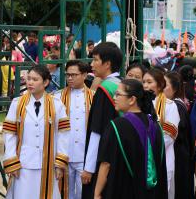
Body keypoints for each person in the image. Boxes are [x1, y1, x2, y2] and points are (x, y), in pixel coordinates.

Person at [3, 65, 70, 199]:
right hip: (23, 164)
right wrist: (11, 161)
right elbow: (10, 134)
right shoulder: (17, 103)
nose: (30, 82)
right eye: (28, 79)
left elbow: (63, 135)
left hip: (48, 164)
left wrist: (60, 162)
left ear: (45, 82)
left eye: (35, 79)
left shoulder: (57, 104)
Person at [94, 79, 167, 199]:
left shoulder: (116, 126)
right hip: (152, 193)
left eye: (118, 94)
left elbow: (106, 163)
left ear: (132, 99)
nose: (114, 97)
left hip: (123, 190)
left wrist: (97, 193)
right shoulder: (155, 125)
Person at [81, 42, 123, 199]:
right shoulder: (121, 84)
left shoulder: (105, 90)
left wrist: (89, 168)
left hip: (103, 159)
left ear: (107, 64)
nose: (92, 64)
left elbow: (97, 130)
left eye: (95, 60)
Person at [54, 60, 94, 199]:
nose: (69, 78)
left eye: (74, 75)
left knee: (85, 193)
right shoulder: (57, 97)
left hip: (85, 155)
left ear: (84, 75)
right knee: (63, 193)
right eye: (67, 75)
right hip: (63, 155)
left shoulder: (94, 97)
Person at [143, 68, 180, 199]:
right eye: (144, 82)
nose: (145, 85)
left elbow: (169, 136)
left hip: (162, 157)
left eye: (149, 82)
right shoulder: (138, 104)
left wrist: (146, 147)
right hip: (141, 160)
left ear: (159, 85)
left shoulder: (170, 106)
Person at [164, 72, 194, 199]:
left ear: (175, 89)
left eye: (164, 85)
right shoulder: (174, 104)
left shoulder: (176, 106)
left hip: (178, 159)